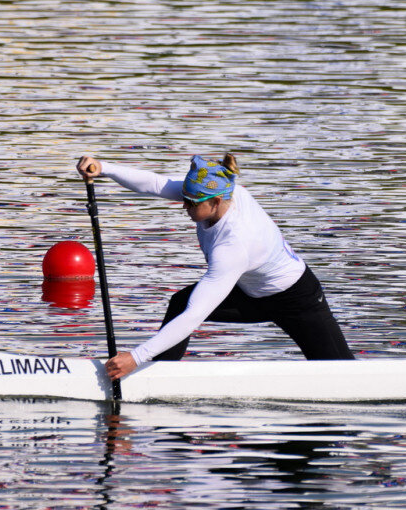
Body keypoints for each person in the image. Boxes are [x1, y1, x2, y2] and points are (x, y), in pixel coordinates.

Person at [76, 154, 355, 381]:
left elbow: (195, 316)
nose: (183, 206)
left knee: (342, 375)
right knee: (180, 303)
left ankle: (144, 367)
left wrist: (136, 356)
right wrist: (105, 168)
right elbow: (157, 184)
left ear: (216, 202)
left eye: (190, 203)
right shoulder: (211, 194)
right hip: (252, 295)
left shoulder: (234, 245)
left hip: (299, 301)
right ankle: (158, 377)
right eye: (184, 198)